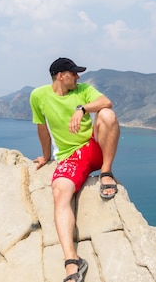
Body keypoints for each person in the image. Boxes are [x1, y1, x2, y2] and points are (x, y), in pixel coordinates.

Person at [30, 57, 120, 282]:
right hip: (71, 156)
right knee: (60, 193)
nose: (78, 77)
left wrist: (82, 109)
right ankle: (72, 260)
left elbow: (106, 102)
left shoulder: (83, 90)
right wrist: (46, 156)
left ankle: (106, 173)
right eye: (74, 73)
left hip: (93, 145)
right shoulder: (38, 96)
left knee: (108, 115)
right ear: (61, 76)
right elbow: (42, 127)